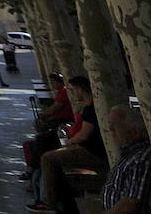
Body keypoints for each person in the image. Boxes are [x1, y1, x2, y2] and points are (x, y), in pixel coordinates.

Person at [26, 76, 108, 212]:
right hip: (91, 149)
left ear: (81, 89)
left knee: (48, 158)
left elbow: (84, 134)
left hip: (93, 152)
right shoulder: (90, 106)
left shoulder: (91, 109)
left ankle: (48, 203)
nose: (73, 93)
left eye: (74, 89)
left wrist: (70, 142)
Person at [100, 106, 151, 214]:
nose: (110, 129)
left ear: (135, 132)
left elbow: (131, 205)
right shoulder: (131, 155)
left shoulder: (144, 159)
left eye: (115, 125)